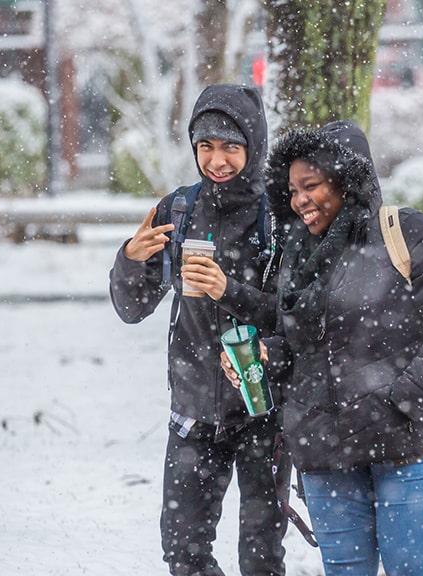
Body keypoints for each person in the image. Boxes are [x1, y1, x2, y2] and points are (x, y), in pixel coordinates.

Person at [224, 120, 423, 575]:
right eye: (292, 189)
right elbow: (301, 345)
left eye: (312, 185)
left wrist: (397, 401)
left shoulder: (408, 232)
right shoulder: (296, 254)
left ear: (346, 179)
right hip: (325, 449)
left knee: (413, 570)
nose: (300, 199)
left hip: (410, 441)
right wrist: (266, 354)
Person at [109, 84, 288, 576]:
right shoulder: (180, 210)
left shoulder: (279, 217)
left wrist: (228, 289)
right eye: (205, 146)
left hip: (261, 411)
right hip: (192, 412)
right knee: (184, 554)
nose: (217, 160)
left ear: (254, 146)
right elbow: (131, 308)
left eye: (231, 146)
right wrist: (130, 260)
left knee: (261, 559)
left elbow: (294, 318)